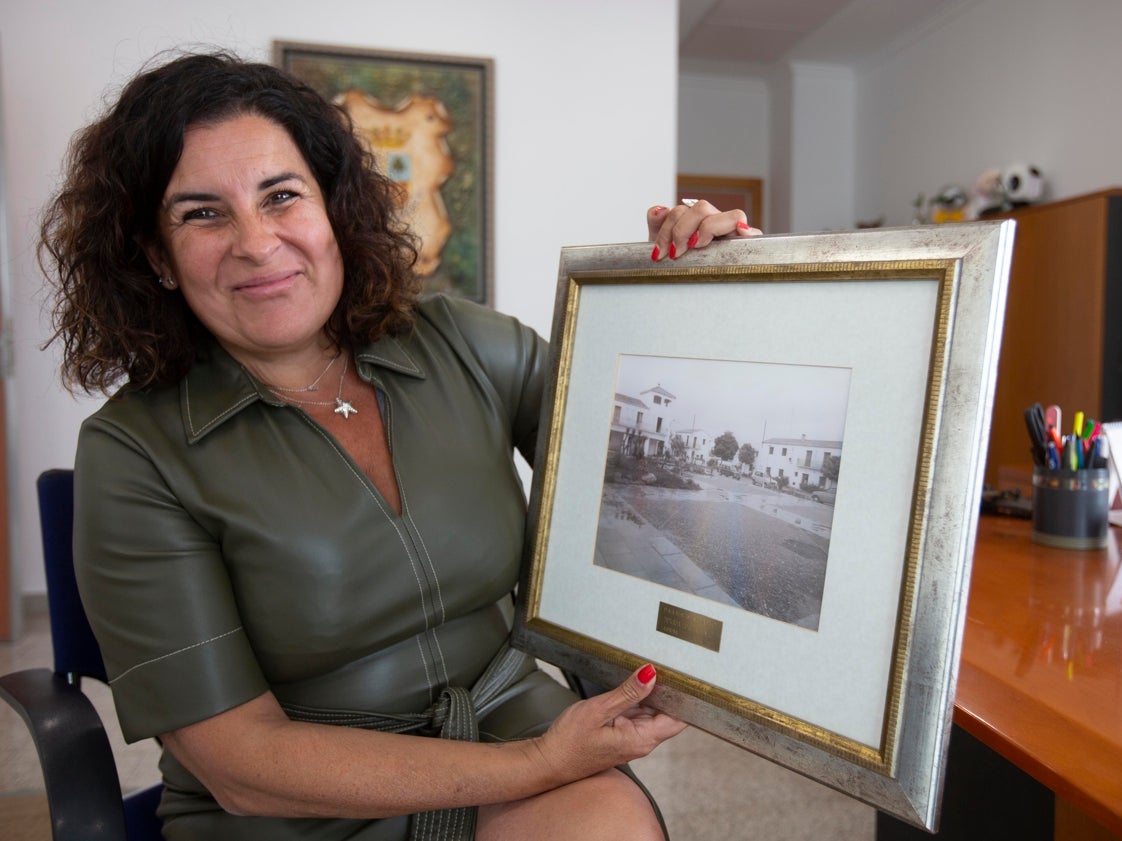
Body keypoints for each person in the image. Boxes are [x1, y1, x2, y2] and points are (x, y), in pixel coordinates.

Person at [38, 50, 761, 841]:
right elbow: (239, 761)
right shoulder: (132, 452)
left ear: (332, 209)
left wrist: (697, 293)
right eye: (202, 213)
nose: (256, 240)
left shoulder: (465, 344)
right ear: (156, 258)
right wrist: (543, 762)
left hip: (506, 723)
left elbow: (635, 460)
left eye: (282, 195)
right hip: (297, 807)